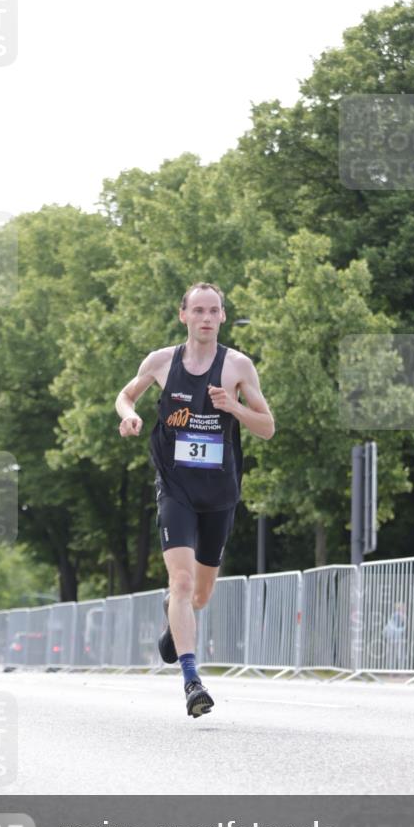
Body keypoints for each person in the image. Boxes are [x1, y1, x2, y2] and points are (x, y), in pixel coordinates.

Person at [115, 282, 275, 717]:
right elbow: (126, 395)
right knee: (181, 583)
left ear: (223, 317)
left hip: (220, 493)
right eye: (198, 310)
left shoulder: (238, 366)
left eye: (214, 311)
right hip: (176, 487)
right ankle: (192, 681)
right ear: (183, 315)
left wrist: (234, 408)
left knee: (199, 596)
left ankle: (173, 617)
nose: (206, 318)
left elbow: (267, 427)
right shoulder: (162, 362)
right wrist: (130, 416)